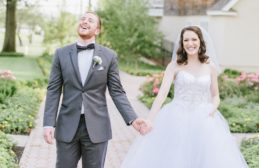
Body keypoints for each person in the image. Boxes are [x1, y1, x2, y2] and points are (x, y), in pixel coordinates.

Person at [121, 26, 248, 168]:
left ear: (200, 41)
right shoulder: (174, 66)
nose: (190, 43)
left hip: (204, 119)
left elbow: (216, 95)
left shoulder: (209, 66)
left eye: (194, 39)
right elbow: (162, 95)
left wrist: (211, 110)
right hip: (177, 117)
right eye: (186, 40)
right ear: (182, 43)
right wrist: (150, 120)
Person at [43, 11, 148, 168]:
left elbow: (117, 91)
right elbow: (53, 90)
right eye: (82, 19)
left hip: (97, 127)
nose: (85, 22)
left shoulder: (109, 56)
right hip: (67, 125)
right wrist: (48, 123)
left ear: (97, 30)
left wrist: (132, 118)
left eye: (90, 20)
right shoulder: (61, 54)